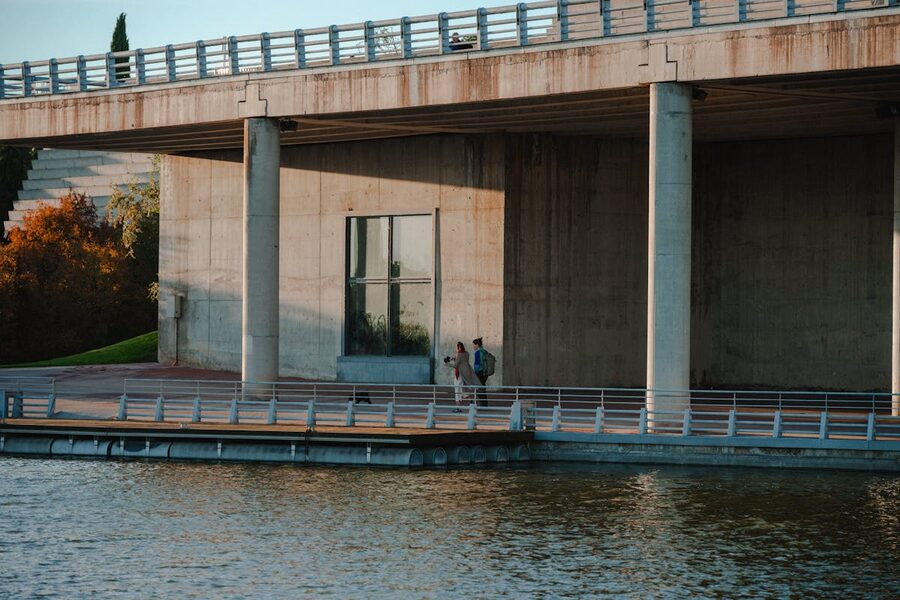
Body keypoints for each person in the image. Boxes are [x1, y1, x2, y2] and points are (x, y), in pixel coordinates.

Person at [443, 341, 480, 412]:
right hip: (465, 373)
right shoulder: (467, 353)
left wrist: (448, 364)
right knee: (462, 389)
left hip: (459, 374)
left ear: (458, 347)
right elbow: (462, 361)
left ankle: (458, 407)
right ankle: (471, 400)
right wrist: (455, 359)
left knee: (457, 390)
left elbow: (456, 365)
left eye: (456, 347)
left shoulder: (458, 354)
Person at [472, 337, 489, 407]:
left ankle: (483, 404)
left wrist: (474, 373)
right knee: (482, 388)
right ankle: (484, 404)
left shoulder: (478, 352)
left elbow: (477, 364)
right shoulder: (484, 351)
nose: (473, 346)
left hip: (479, 372)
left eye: (473, 345)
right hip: (485, 372)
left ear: (477, 345)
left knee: (479, 388)